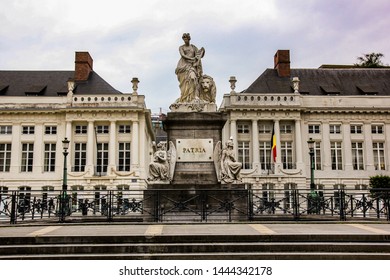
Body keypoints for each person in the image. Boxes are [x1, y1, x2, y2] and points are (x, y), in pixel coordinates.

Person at [175, 33, 205, 103]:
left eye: (186, 39)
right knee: (184, 83)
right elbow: (183, 55)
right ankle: (185, 97)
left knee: (193, 78)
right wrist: (192, 58)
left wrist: (202, 52)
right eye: (184, 39)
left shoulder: (193, 47)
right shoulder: (181, 47)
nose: (185, 40)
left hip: (191, 66)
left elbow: (199, 55)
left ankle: (194, 96)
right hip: (183, 66)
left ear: (189, 39)